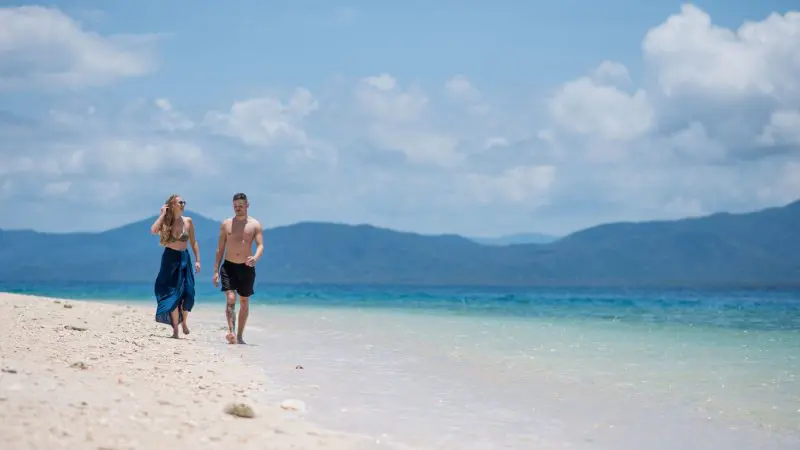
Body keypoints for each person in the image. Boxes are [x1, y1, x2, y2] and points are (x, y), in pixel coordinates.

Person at [213, 192, 264, 344]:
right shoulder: (226, 224)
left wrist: (255, 257)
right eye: (235, 206)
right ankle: (231, 332)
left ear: (247, 205)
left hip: (246, 266)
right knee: (230, 298)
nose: (238, 209)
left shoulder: (255, 225)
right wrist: (216, 270)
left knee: (244, 301)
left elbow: (261, 245)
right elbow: (220, 248)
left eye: (241, 206)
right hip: (228, 266)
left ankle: (240, 336)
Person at [150, 194, 201, 339]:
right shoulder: (166, 222)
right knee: (172, 294)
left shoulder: (188, 221)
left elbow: (193, 242)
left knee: (188, 292)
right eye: (180, 202)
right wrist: (162, 214)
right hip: (170, 259)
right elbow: (153, 230)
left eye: (184, 202)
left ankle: (184, 321)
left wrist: (198, 260)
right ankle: (175, 331)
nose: (183, 204)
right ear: (172, 205)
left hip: (185, 258)